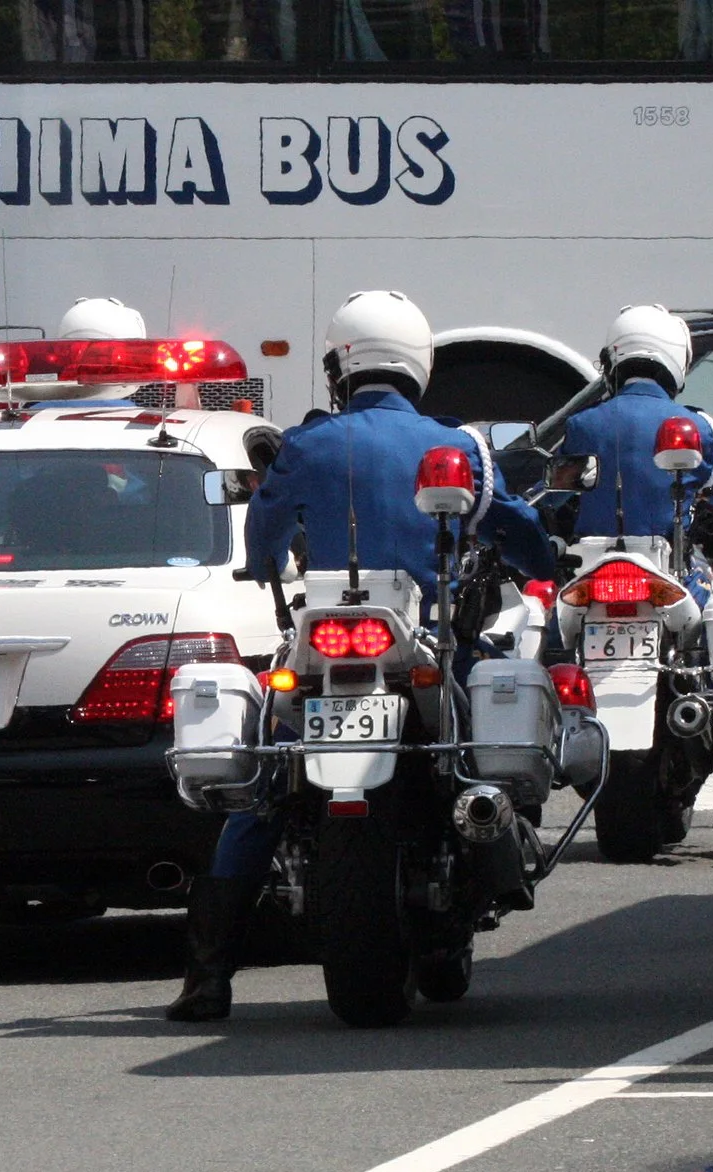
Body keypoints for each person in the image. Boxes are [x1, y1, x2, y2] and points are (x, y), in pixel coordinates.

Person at [165, 290, 554, 1023]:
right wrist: (542, 556)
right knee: (478, 757)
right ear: (418, 363)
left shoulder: (308, 444)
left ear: (341, 366)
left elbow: (263, 543)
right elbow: (518, 527)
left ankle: (208, 977)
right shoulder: (460, 446)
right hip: (427, 639)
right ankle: (497, 862)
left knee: (264, 787)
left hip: (320, 641)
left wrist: (269, 568)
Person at [562, 303, 713, 856]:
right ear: (675, 362)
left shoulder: (582, 424)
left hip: (589, 577)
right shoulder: (693, 426)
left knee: (543, 651)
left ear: (615, 360)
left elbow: (559, 493)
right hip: (671, 573)